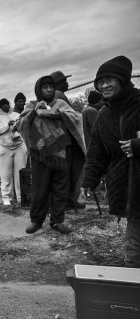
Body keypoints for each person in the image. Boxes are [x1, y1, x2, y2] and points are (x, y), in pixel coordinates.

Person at [81, 55, 140, 268]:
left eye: (109, 80)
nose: (103, 85)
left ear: (123, 80)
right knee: (134, 246)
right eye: (99, 82)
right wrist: (89, 179)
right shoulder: (104, 115)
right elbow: (97, 152)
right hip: (128, 189)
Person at [18, 76, 86, 234]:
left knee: (61, 186)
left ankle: (57, 221)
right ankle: (37, 220)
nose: (49, 89)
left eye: (51, 86)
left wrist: (60, 115)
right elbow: (20, 123)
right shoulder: (32, 105)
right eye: (45, 87)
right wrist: (35, 113)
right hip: (41, 153)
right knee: (40, 187)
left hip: (63, 152)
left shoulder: (61, 104)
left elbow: (77, 118)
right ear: (38, 90)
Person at [50, 70, 86, 210]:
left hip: (61, 141)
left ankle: (68, 201)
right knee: (66, 172)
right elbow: (67, 117)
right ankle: (66, 202)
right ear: (57, 83)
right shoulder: (58, 95)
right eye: (64, 80)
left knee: (66, 172)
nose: (67, 83)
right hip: (64, 141)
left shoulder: (56, 95)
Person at [0, 98, 27, 205]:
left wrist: (16, 126)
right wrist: (7, 126)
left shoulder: (16, 115)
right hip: (4, 148)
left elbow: (24, 127)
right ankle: (7, 197)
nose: (5, 106)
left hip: (19, 145)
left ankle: (21, 197)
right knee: (5, 174)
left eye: (7, 104)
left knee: (20, 173)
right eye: (3, 105)